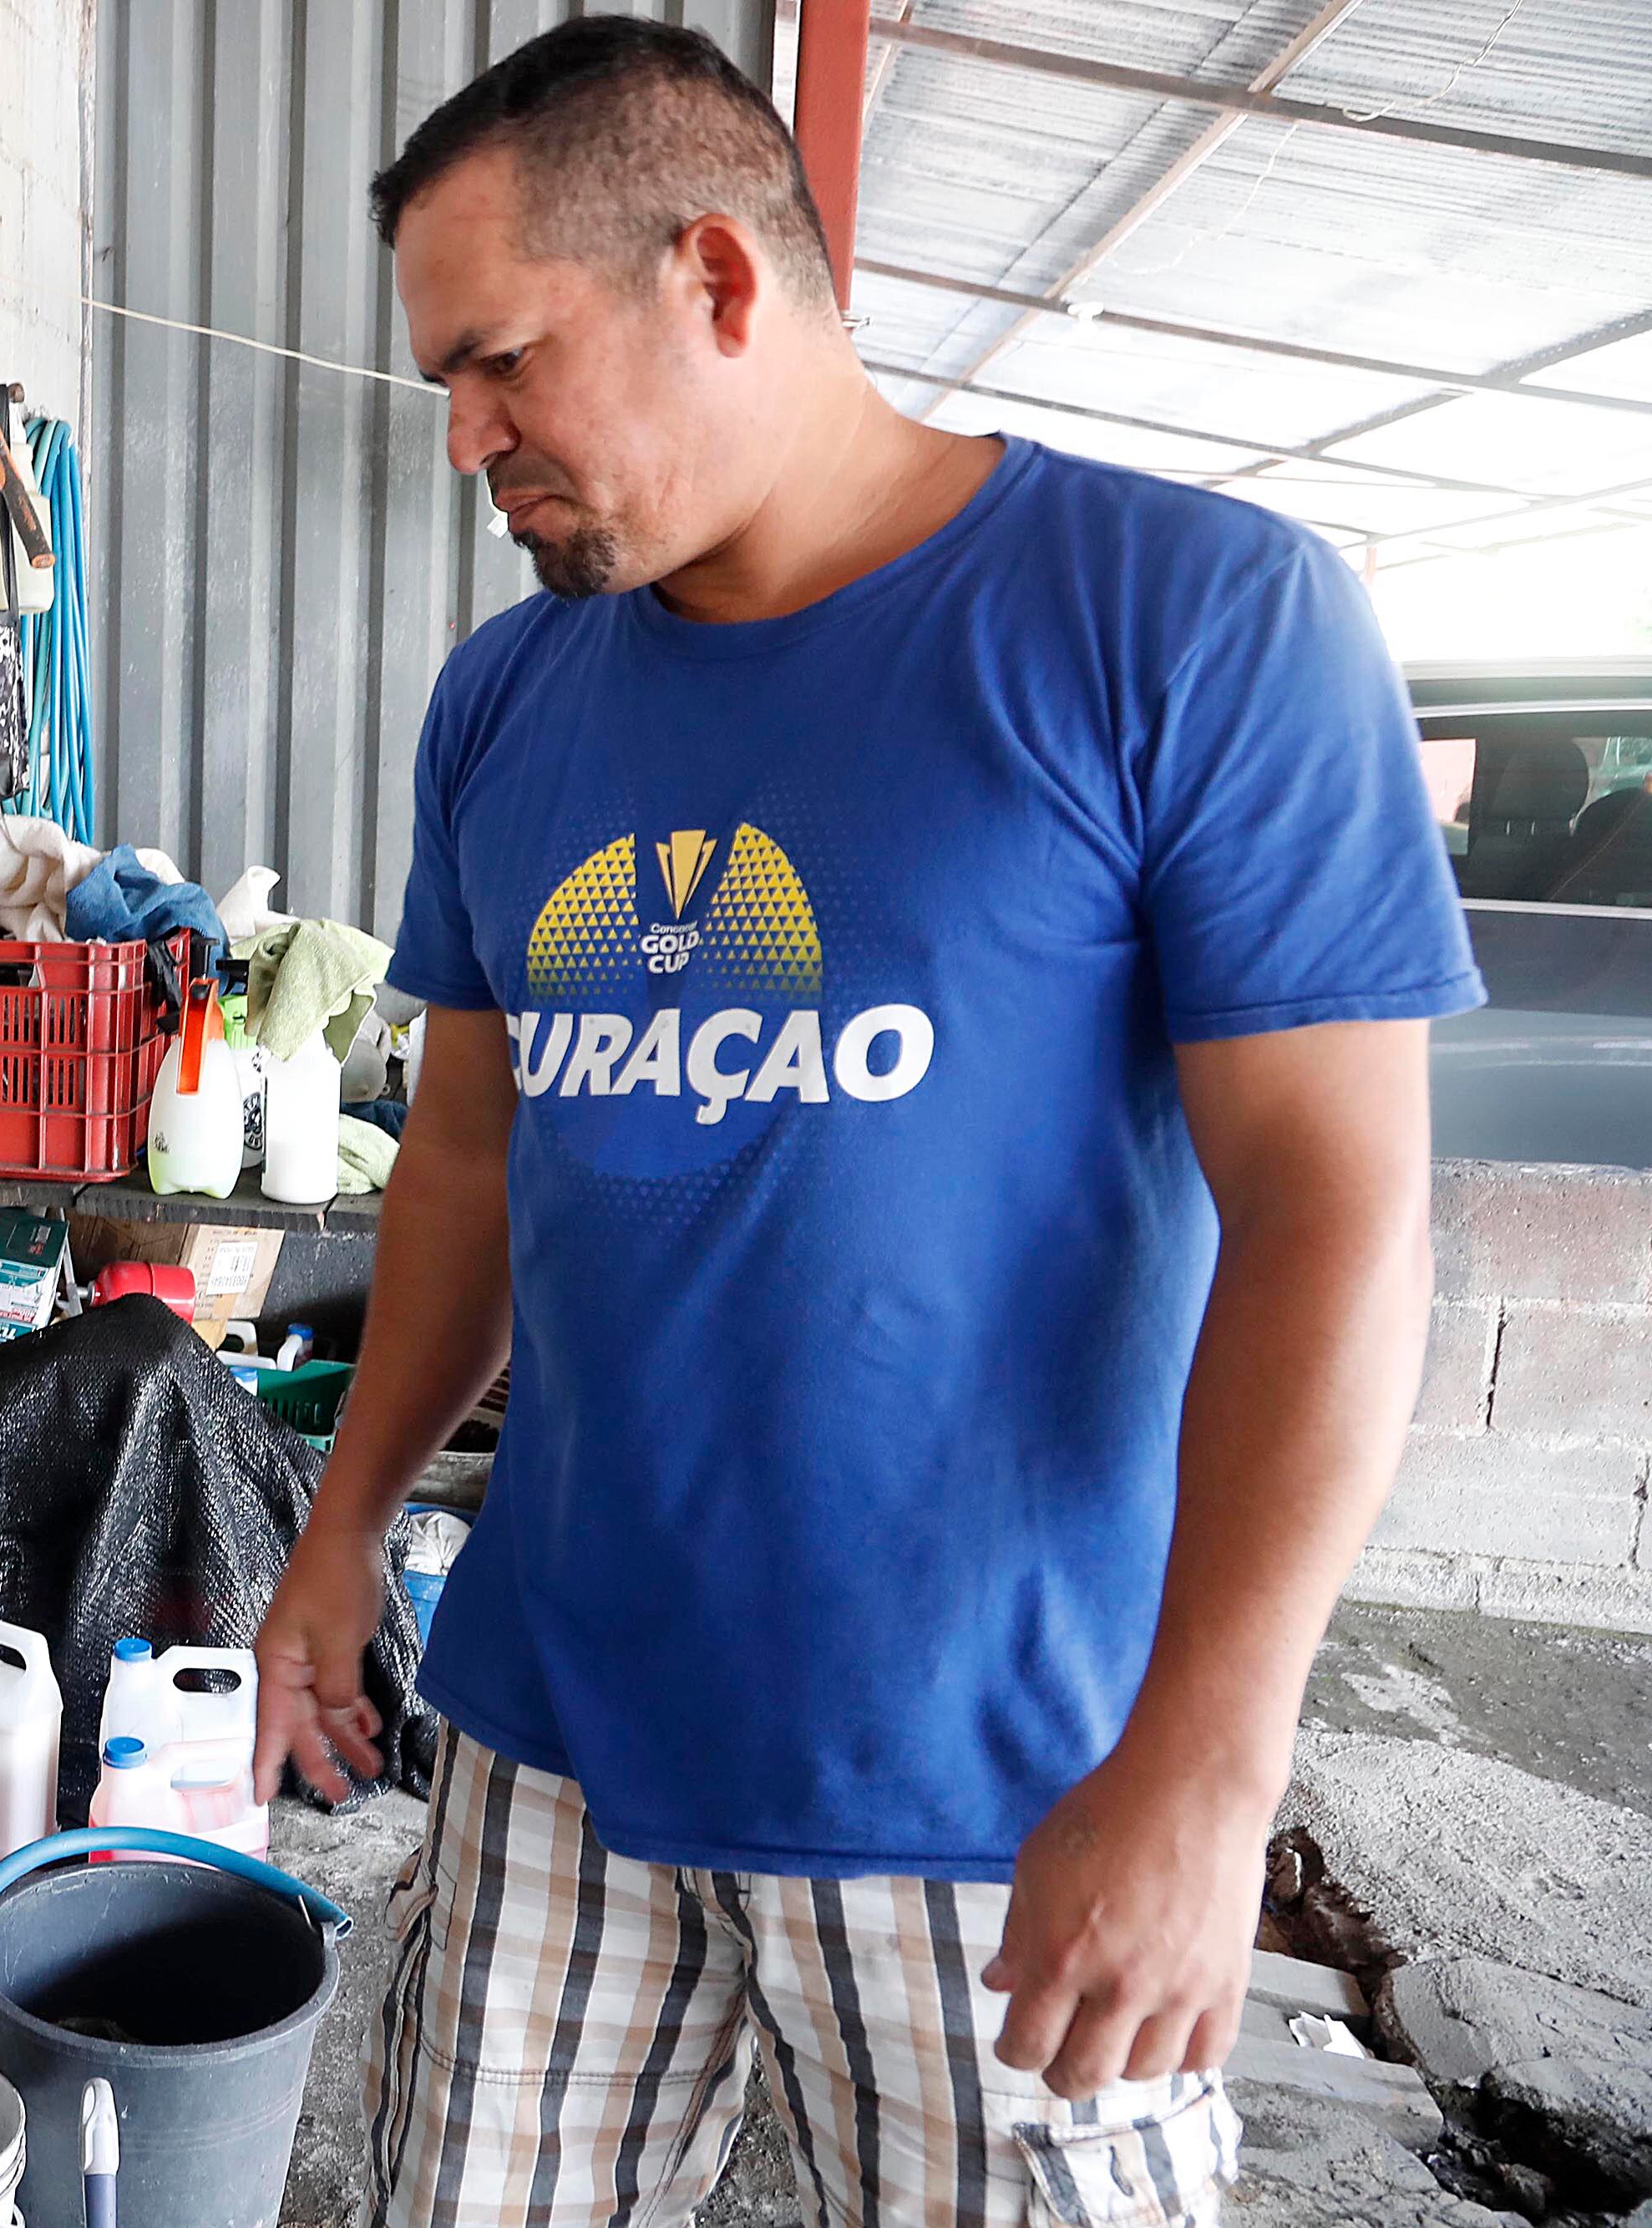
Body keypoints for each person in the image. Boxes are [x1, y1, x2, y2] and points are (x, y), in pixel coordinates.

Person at [245, 20, 1480, 2227]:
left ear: (718, 276)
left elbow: (1339, 1214)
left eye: (502, 363)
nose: (464, 440)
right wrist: (341, 1527)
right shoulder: (510, 698)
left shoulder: (1187, 623)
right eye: (445, 382)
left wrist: (1209, 1774)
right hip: (558, 1735)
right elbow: (468, 1157)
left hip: (997, 1788)